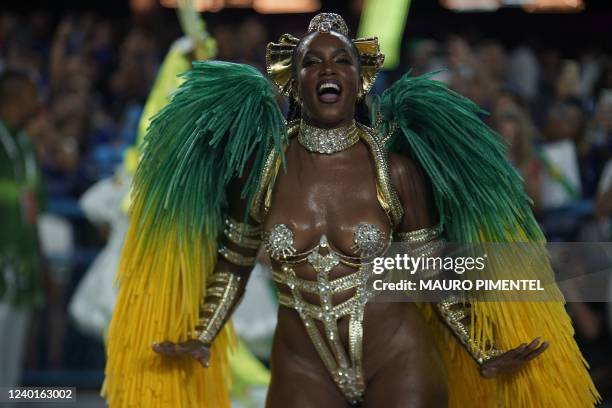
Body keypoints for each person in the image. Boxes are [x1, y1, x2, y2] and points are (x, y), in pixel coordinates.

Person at [103, 13, 598, 407]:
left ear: (359, 80)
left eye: (340, 61)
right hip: (302, 367)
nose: (327, 71)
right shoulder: (260, 170)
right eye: (311, 63)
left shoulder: (396, 170)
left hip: (397, 357)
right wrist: (203, 335)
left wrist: (480, 347)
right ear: (292, 82)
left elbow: (430, 273)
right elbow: (233, 262)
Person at [0, 70, 43, 390]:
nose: (37, 101)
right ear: (13, 98)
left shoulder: (25, 143)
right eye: (32, 94)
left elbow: (34, 206)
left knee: (10, 364)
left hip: (24, 263)